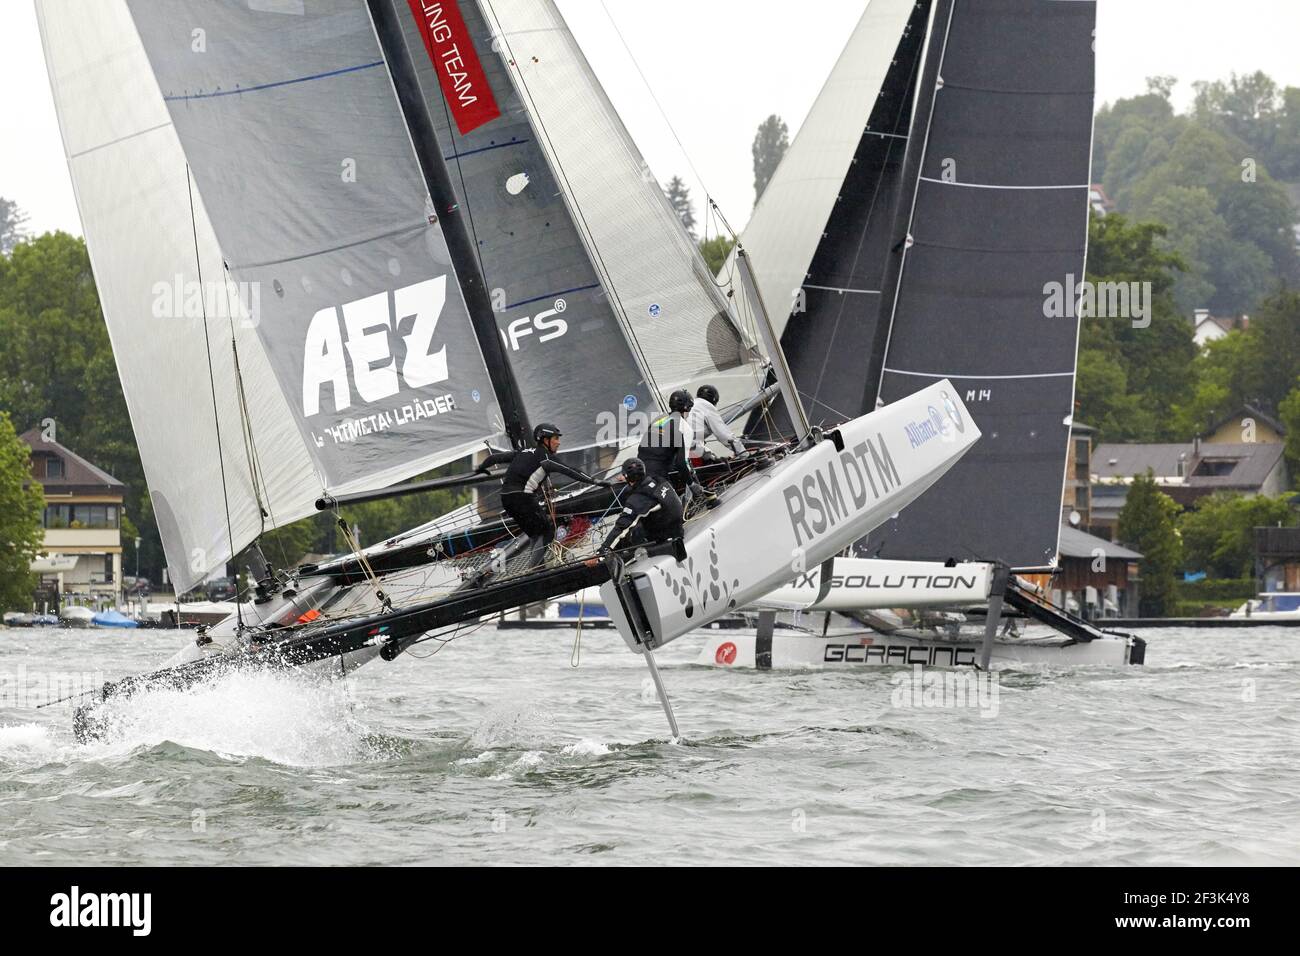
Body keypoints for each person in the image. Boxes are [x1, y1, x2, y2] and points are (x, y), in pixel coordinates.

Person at [478, 423, 612, 569]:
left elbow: (495, 458)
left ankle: (538, 568)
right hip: (521, 497)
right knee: (547, 532)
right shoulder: (546, 458)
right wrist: (595, 481)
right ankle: (534, 570)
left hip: (506, 498)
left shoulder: (523, 452)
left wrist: (481, 468)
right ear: (545, 440)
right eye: (555, 438)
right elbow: (571, 471)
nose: (558, 442)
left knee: (536, 534)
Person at [599, 457, 684, 553]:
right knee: (644, 514)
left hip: (665, 537)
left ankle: (623, 554)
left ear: (626, 476)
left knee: (631, 528)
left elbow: (620, 527)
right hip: (678, 526)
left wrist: (602, 551)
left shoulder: (637, 499)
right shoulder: (659, 480)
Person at [638, 389, 707, 500]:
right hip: (658, 474)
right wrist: (692, 484)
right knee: (676, 508)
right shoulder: (684, 427)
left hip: (641, 469)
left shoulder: (659, 419)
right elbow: (682, 463)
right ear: (687, 408)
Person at [687, 383, 745, 462]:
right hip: (688, 451)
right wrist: (743, 452)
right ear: (714, 400)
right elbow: (723, 435)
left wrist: (713, 457)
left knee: (710, 457)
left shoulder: (692, 405)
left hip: (677, 450)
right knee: (713, 462)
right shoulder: (706, 406)